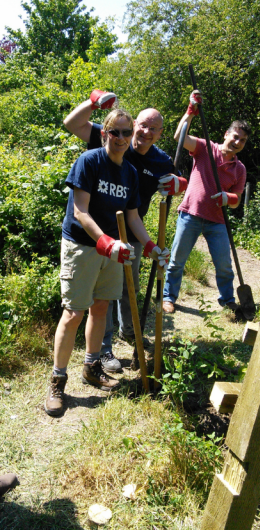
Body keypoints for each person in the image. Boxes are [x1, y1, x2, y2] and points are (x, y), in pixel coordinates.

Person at [45, 109, 169, 417]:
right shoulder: (89, 162)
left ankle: (91, 365)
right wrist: (106, 243)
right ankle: (58, 380)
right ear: (105, 134)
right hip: (83, 245)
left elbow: (132, 217)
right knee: (74, 313)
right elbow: (80, 212)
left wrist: (152, 247)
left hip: (114, 248)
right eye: (116, 132)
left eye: (127, 133)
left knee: (100, 307)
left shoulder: (129, 173)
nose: (123, 138)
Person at [62, 90, 181, 373]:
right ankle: (102, 351)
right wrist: (93, 102)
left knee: (123, 291)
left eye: (153, 128)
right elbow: (71, 124)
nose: (128, 136)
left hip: (130, 235)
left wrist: (180, 183)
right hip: (91, 234)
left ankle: (129, 333)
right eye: (142, 126)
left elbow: (156, 195)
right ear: (108, 132)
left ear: (160, 133)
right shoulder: (104, 147)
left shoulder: (158, 162)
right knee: (87, 304)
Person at [162, 91, 249, 313]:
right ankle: (168, 298)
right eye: (235, 136)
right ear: (226, 134)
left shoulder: (239, 169)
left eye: (242, 140)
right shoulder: (205, 148)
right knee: (176, 261)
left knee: (224, 266)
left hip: (217, 221)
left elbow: (236, 201)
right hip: (190, 214)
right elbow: (179, 137)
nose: (237, 142)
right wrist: (190, 111)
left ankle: (228, 301)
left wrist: (226, 198)